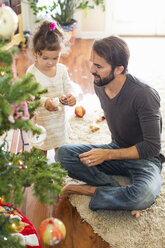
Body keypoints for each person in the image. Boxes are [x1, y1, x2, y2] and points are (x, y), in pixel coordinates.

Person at [55, 35, 164, 216]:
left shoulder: (145, 95)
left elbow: (152, 147)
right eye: (92, 63)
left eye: (98, 66)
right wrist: (109, 153)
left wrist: (108, 154)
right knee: (63, 155)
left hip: (145, 159)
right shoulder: (99, 83)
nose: (92, 70)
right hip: (116, 149)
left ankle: (90, 190)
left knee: (144, 195)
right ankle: (110, 187)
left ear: (119, 69)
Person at [27, 21, 76, 154]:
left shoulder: (61, 70)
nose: (50, 62)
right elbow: (31, 97)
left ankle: (59, 166)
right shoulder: (32, 73)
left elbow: (68, 86)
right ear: (36, 53)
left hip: (58, 119)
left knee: (60, 147)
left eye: (55, 58)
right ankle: (41, 169)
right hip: (41, 120)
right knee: (41, 147)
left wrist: (71, 96)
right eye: (45, 58)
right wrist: (45, 102)